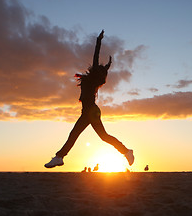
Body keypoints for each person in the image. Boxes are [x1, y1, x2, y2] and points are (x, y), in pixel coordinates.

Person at [45, 30, 134, 168]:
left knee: (78, 134)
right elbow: (99, 65)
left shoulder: (93, 79)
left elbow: (95, 56)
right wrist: (108, 65)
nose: (95, 66)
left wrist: (98, 41)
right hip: (88, 111)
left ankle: (59, 157)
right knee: (99, 136)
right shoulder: (93, 80)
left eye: (97, 67)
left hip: (90, 111)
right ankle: (126, 151)